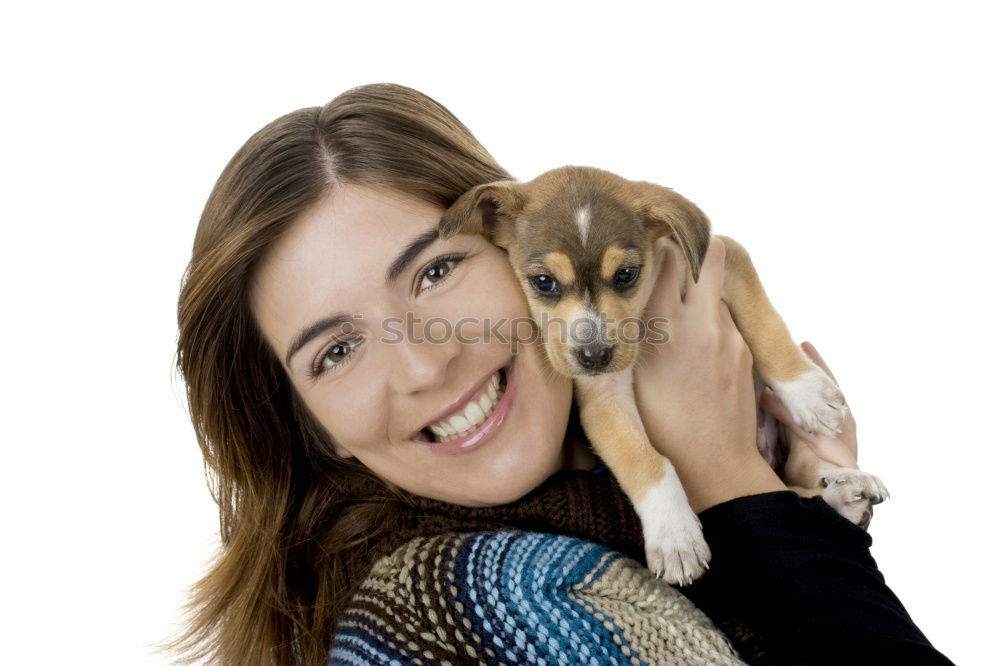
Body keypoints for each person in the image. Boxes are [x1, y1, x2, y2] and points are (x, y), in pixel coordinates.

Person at [169, 83, 953, 665]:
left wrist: (796, 505)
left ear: (513, 235)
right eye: (335, 351)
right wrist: (734, 485)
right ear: (310, 427)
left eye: (437, 272)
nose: (424, 360)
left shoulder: (608, 539)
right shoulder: (480, 604)